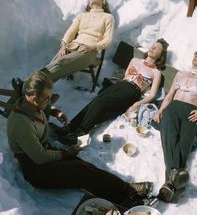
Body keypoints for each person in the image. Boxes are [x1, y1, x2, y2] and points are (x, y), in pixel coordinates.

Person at [7, 71, 154, 205]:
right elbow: (40, 157)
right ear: (33, 98)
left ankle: (126, 188)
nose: (49, 101)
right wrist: (67, 153)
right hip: (36, 170)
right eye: (47, 98)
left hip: (44, 152)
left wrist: (55, 112)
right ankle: (126, 198)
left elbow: (43, 107)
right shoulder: (21, 124)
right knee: (80, 171)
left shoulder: (29, 102)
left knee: (83, 165)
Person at [51, 38, 169, 145]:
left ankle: (80, 133)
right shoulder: (135, 60)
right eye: (153, 45)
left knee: (101, 104)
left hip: (133, 90)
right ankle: (69, 127)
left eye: (157, 48)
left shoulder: (156, 73)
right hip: (121, 85)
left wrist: (137, 103)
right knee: (95, 101)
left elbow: (153, 94)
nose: (153, 48)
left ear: (161, 56)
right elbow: (125, 76)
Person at [152, 44, 197, 202]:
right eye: (196, 52)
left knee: (182, 150)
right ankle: (172, 186)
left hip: (191, 114)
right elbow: (169, 96)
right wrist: (159, 111)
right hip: (172, 110)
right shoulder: (180, 74)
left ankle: (169, 187)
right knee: (169, 142)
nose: (196, 55)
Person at [42, 0, 115, 82]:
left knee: (61, 62)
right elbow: (70, 32)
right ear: (89, 3)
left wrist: (91, 47)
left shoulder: (108, 17)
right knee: (56, 61)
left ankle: (32, 84)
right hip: (73, 46)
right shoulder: (82, 16)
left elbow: (107, 40)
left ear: (103, 2)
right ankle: (35, 86)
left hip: (89, 50)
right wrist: (63, 45)